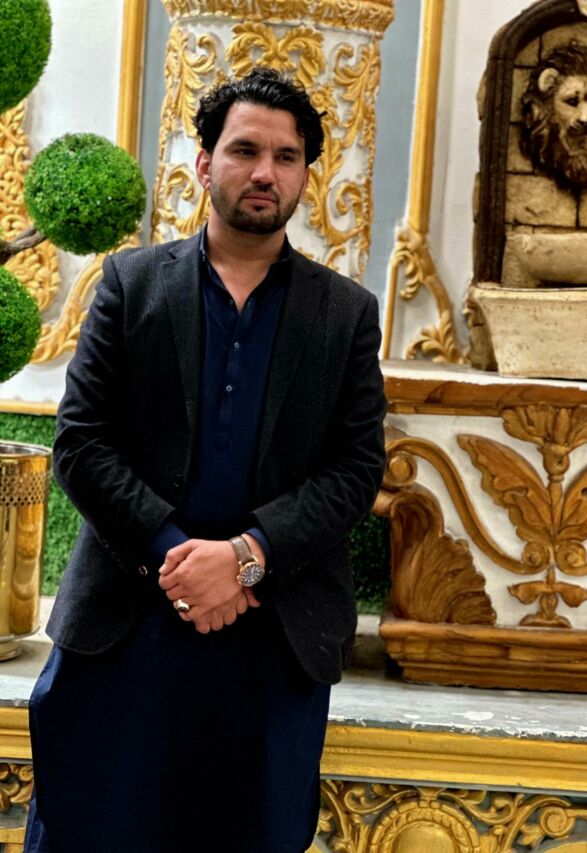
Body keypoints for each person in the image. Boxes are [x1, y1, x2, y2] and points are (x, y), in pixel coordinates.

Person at [24, 67, 386, 853]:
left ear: (305, 176)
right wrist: (178, 560)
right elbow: (82, 442)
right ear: (204, 162)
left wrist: (246, 558)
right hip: (128, 625)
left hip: (272, 633)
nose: (265, 172)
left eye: (286, 157)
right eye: (245, 150)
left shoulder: (346, 314)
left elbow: (356, 469)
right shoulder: (129, 285)